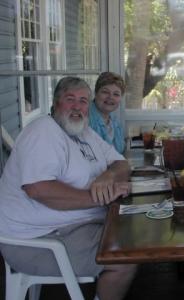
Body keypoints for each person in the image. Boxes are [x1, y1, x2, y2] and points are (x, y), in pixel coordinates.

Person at [0, 77, 137, 300]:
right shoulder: (43, 131)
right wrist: (98, 198)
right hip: (38, 240)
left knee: (135, 233)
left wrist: (106, 177)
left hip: (75, 226)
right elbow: (39, 189)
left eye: (83, 101)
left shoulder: (83, 132)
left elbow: (121, 163)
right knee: (124, 258)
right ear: (55, 104)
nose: (77, 106)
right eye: (70, 99)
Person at [89, 71, 125, 153]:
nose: (110, 97)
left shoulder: (115, 122)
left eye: (116, 94)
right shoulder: (86, 119)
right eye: (105, 92)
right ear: (96, 93)